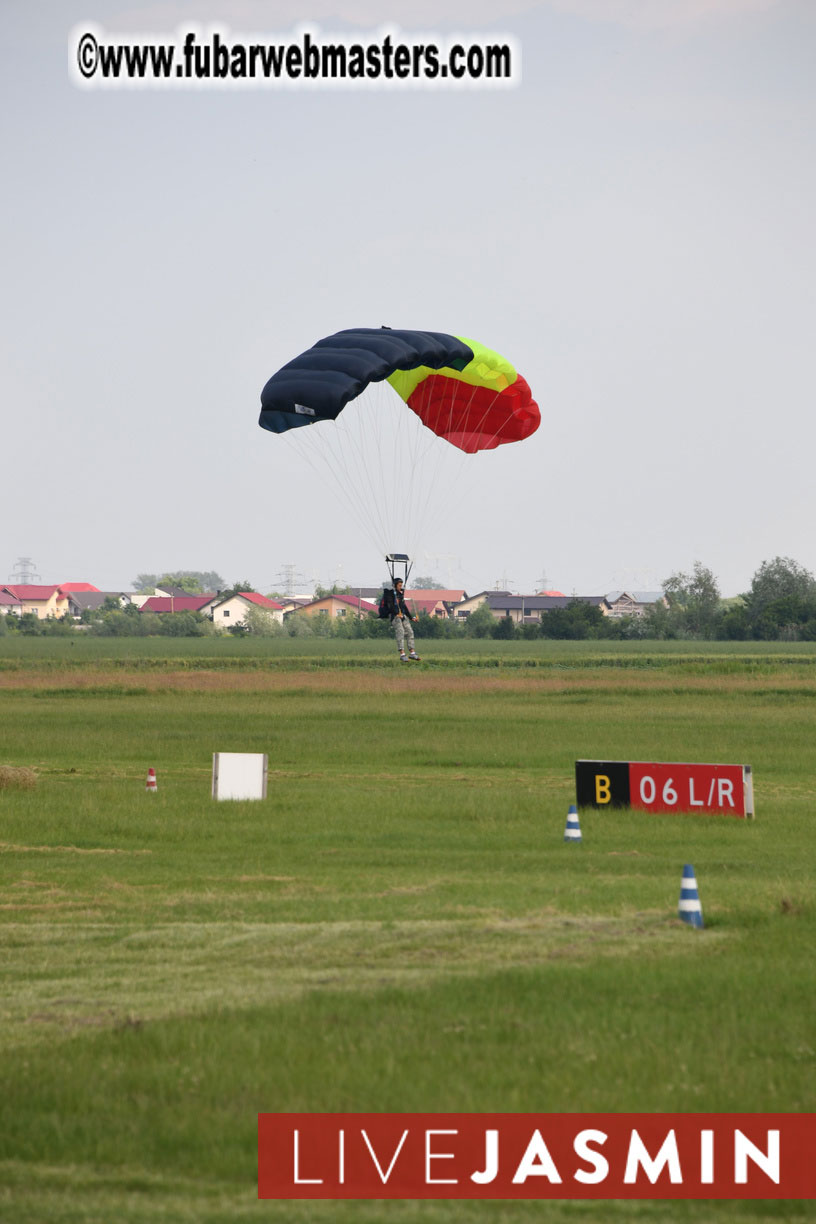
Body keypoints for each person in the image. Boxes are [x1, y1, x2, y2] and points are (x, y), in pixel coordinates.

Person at [387, 578, 420, 662]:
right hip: (395, 617)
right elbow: (390, 607)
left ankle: (412, 653)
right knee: (401, 632)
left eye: (401, 586)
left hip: (403, 616)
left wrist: (411, 617)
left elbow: (404, 607)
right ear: (395, 585)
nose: (400, 587)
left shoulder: (401, 595)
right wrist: (397, 613)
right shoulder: (390, 595)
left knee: (410, 632)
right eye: (399, 586)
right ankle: (402, 653)